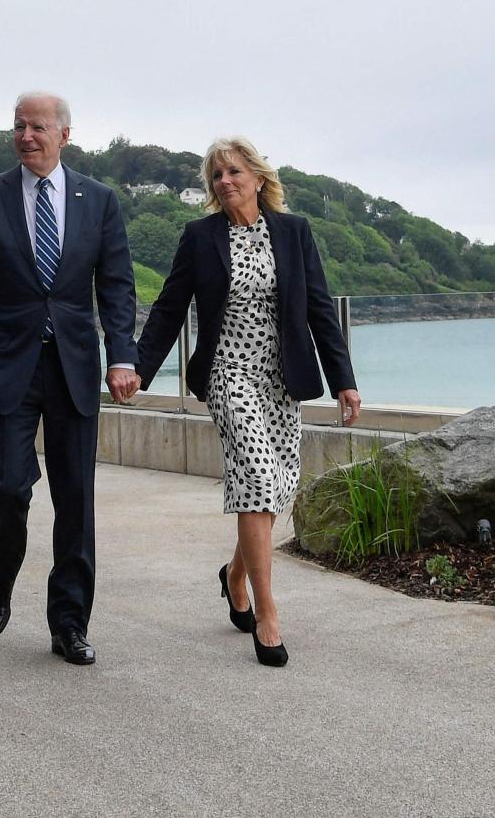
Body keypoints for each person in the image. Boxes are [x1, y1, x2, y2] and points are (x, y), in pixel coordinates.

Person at [135, 136, 362, 667]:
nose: (224, 182)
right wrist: (138, 369)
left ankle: (235, 574)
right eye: (216, 175)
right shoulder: (199, 237)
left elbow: (320, 311)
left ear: (259, 178)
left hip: (282, 377)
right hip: (228, 372)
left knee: (277, 486)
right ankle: (267, 612)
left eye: (233, 171)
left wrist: (343, 380)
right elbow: (169, 309)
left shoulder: (294, 232)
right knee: (258, 479)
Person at [0, 92, 139, 665]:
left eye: (37, 127)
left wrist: (122, 357)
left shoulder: (100, 201)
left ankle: (69, 623)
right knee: (8, 487)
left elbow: (118, 288)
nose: (26, 136)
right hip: (6, 365)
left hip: (75, 368)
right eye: (18, 127)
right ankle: (1, 573)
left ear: (64, 134)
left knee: (76, 500)